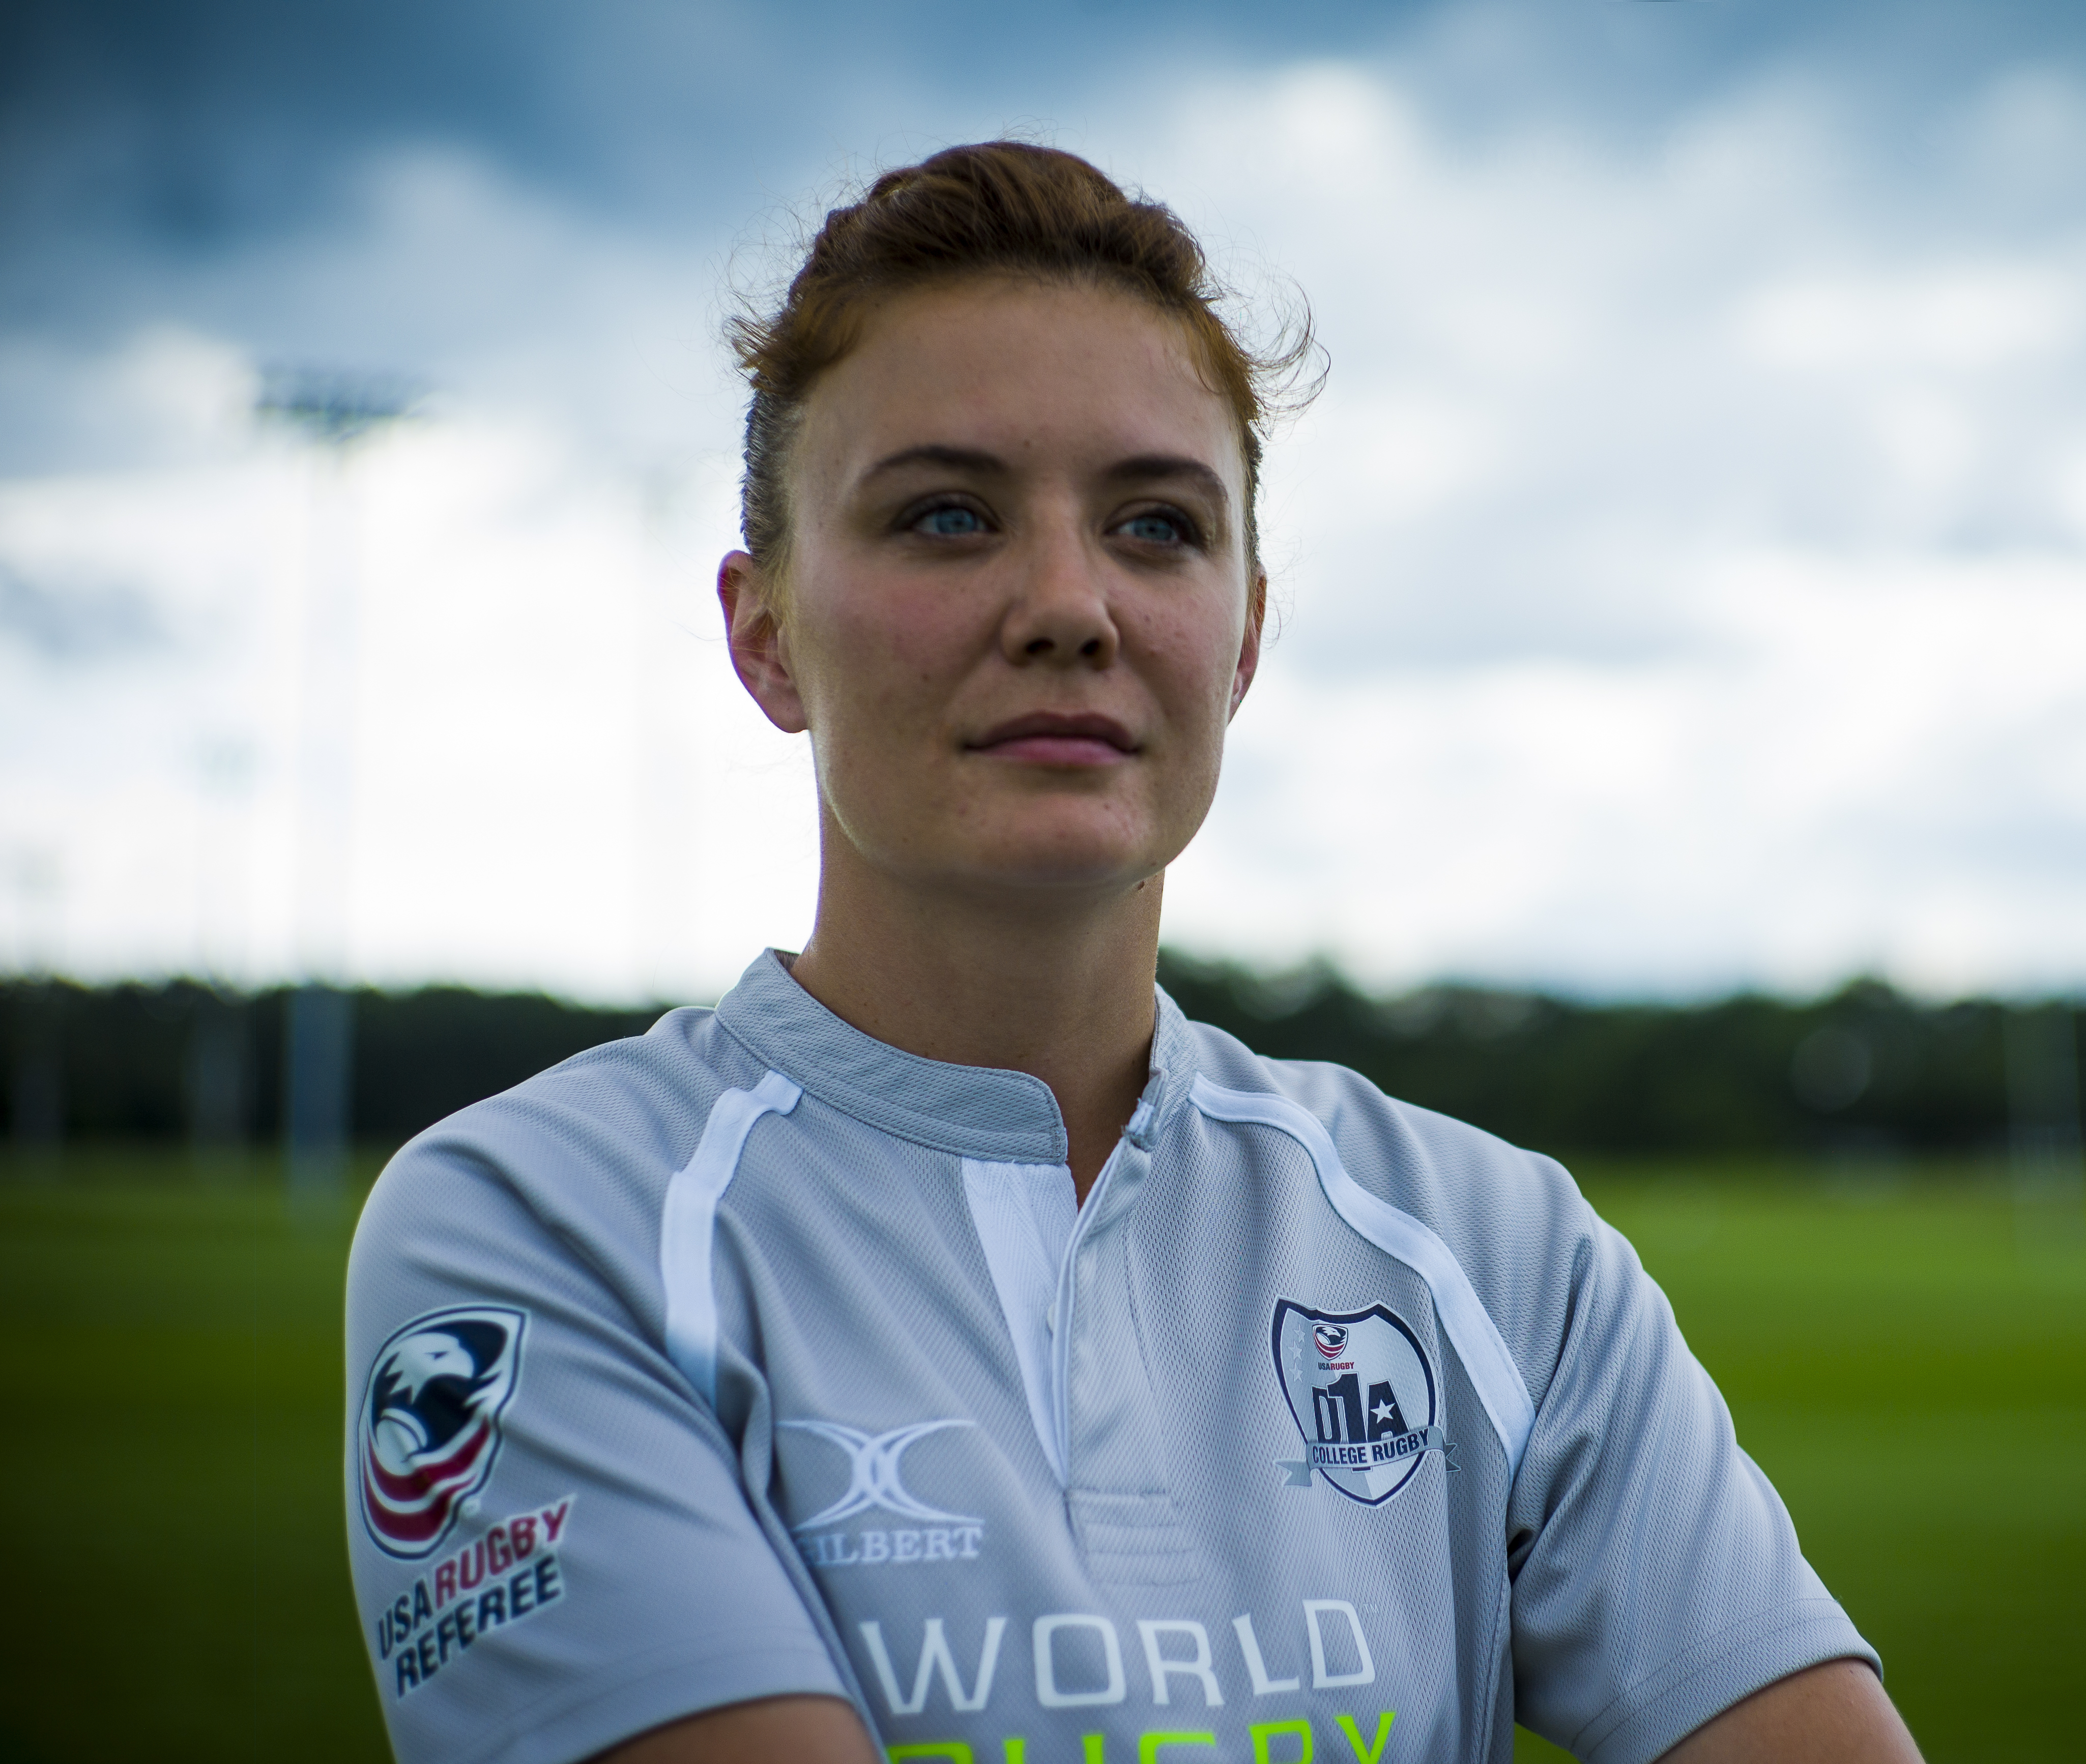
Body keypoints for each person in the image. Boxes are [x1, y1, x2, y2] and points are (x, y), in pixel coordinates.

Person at [343, 141, 1923, 1764]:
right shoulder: (547, 1223)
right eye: (947, 515)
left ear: (1239, 639)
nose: (1064, 604)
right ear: (766, 635)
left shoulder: (1493, 1247)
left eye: (1155, 525)